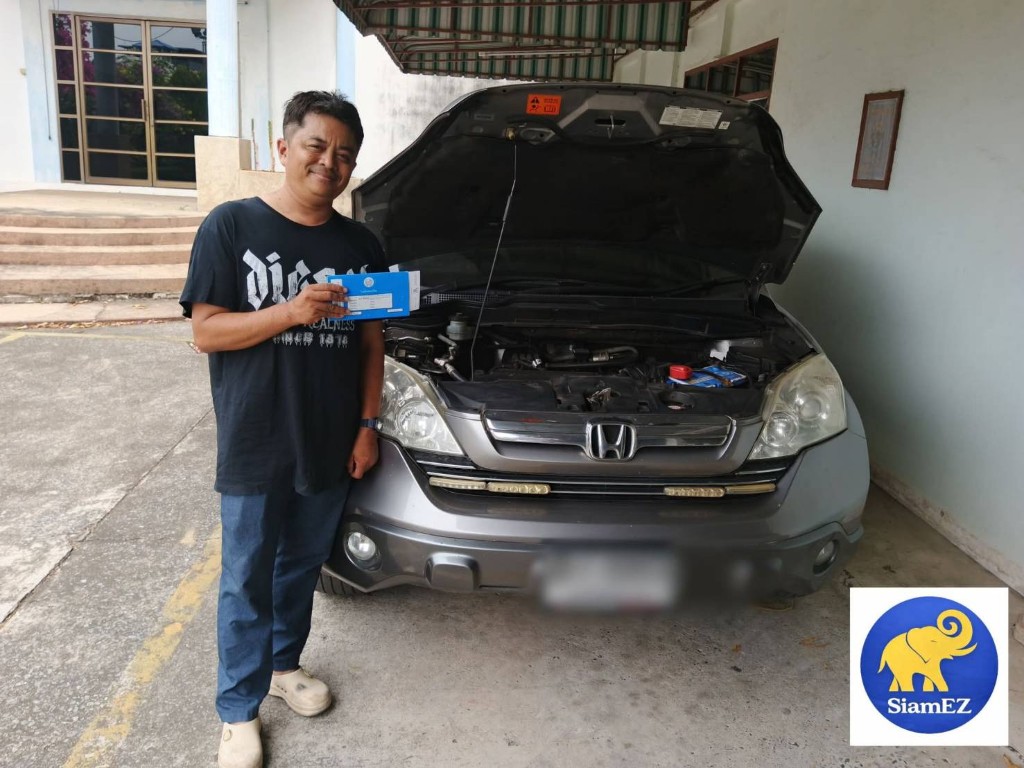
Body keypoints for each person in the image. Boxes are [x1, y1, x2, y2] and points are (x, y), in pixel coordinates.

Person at [179, 90, 386, 768]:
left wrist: (365, 425)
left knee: (300, 565)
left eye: (345, 154)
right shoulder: (231, 227)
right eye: (317, 146)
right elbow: (206, 332)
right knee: (245, 576)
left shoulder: (361, 244)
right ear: (284, 146)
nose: (330, 162)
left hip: (330, 439)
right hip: (255, 436)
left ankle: (282, 666)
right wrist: (291, 312)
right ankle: (237, 709)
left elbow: (371, 346)